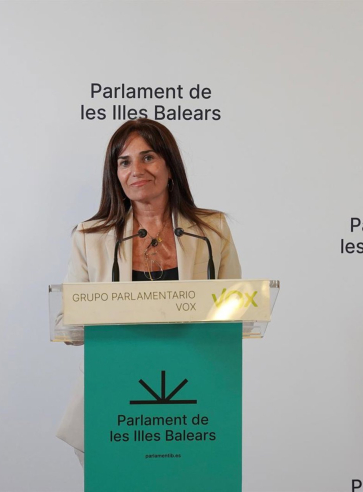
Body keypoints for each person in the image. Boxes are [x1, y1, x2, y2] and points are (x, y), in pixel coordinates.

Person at [55, 118, 241, 465]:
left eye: (148, 157)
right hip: (113, 399)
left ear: (170, 166)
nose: (136, 170)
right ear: (115, 174)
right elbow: (66, 324)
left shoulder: (210, 230)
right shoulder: (91, 237)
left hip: (192, 399)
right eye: (124, 162)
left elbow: (237, 310)